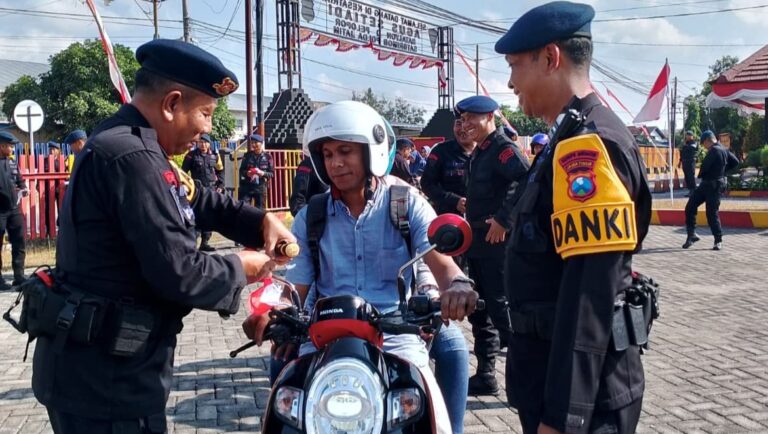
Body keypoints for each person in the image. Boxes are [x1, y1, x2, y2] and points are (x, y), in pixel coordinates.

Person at [32, 39, 296, 434]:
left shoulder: (130, 142)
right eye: (205, 113)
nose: (208, 128)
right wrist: (241, 266)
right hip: (107, 385)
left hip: (103, 373)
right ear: (172, 103)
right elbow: (180, 272)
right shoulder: (133, 158)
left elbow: (196, 197)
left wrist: (260, 222)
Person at [242, 100, 479, 434]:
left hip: (398, 335)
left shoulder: (406, 201)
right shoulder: (313, 215)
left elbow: (441, 263)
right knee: (282, 367)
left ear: (372, 151)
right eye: (327, 154)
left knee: (447, 364)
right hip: (324, 334)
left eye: (345, 151)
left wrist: (457, 286)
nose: (336, 163)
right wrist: (273, 310)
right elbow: (295, 287)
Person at [495, 2, 652, 432]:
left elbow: (590, 291)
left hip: (585, 396)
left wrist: (566, 416)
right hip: (551, 375)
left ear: (550, 58)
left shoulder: (588, 146)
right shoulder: (566, 136)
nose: (510, 82)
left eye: (514, 66)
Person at [456, 95, 530, 395]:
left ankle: (523, 379)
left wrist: (503, 219)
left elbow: (525, 179)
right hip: (478, 243)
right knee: (481, 310)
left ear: (489, 118)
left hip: (497, 243)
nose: (466, 124)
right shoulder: (480, 152)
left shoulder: (502, 149)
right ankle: (486, 374)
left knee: (502, 309)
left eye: (472, 118)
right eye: (463, 119)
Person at [683, 130, 739, 251]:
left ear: (708, 140)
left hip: (712, 186)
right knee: (694, 207)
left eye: (704, 144)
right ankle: (692, 235)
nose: (704, 147)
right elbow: (735, 162)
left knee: (708, 212)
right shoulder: (723, 149)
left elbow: (704, 169)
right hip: (711, 184)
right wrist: (723, 171)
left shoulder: (714, 150)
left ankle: (717, 240)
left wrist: (714, 172)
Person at [421, 118, 476, 216]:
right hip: (449, 220)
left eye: (467, 124)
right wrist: (454, 201)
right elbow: (427, 184)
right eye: (458, 124)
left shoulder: (488, 151)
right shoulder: (441, 151)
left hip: (483, 221)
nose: (462, 129)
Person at [182, 133, 224, 251]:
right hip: (197, 190)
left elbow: (220, 171)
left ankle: (205, 242)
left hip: (211, 190)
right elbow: (183, 172)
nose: (203, 144)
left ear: (209, 143)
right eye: (200, 142)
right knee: (195, 215)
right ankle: (192, 243)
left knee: (209, 216)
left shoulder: (215, 155)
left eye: (205, 142)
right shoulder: (191, 156)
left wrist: (221, 185)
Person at [0, 132, 28, 290]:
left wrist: (24, 188)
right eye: (10, 146)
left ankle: (19, 276)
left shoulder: (12, 163)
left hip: (13, 208)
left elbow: (20, 180)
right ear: (2, 146)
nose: (12, 149)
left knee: (19, 240)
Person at [238, 133, 273, 208]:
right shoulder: (247, 156)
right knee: (244, 209)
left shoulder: (268, 157)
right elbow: (241, 171)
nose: (253, 145)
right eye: (252, 143)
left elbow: (271, 173)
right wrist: (247, 173)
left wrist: (262, 173)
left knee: (259, 212)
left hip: (260, 187)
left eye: (256, 142)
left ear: (261, 143)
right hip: (247, 186)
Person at [42, 141, 64, 238]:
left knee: (61, 209)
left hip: (59, 190)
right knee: (47, 209)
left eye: (53, 149)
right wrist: (39, 186)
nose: (51, 151)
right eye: (50, 149)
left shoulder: (61, 161)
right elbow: (40, 174)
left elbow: (65, 176)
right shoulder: (44, 161)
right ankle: (49, 230)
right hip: (46, 190)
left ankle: (61, 228)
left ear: (57, 151)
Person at [678, 130, 698, 196]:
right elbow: (682, 153)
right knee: (686, 176)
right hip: (685, 161)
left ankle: (693, 190)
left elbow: (692, 148)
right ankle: (690, 190)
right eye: (687, 135)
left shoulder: (694, 142)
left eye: (689, 135)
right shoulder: (685, 143)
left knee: (690, 176)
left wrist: (685, 146)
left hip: (691, 161)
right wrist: (680, 161)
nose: (688, 136)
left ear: (692, 136)